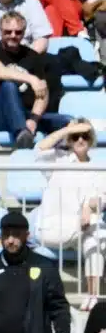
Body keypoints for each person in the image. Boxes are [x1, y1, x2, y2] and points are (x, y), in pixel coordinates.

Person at [31, 121, 106, 310]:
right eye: (75, 136)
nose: (80, 139)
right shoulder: (58, 160)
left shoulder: (99, 169)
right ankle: (93, 295)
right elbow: (38, 150)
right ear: (69, 140)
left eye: (85, 136)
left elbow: (102, 199)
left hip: (83, 229)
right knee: (98, 231)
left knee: (97, 238)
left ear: (92, 140)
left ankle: (92, 296)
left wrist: (89, 206)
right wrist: (67, 129)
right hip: (53, 228)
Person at [0, 12, 69, 149]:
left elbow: (43, 92)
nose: (13, 36)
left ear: (24, 33)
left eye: (18, 32)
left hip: (25, 114)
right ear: (0, 31)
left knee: (69, 121)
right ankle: (22, 135)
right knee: (9, 86)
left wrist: (33, 120)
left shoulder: (31, 55)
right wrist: (31, 79)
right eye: (8, 32)